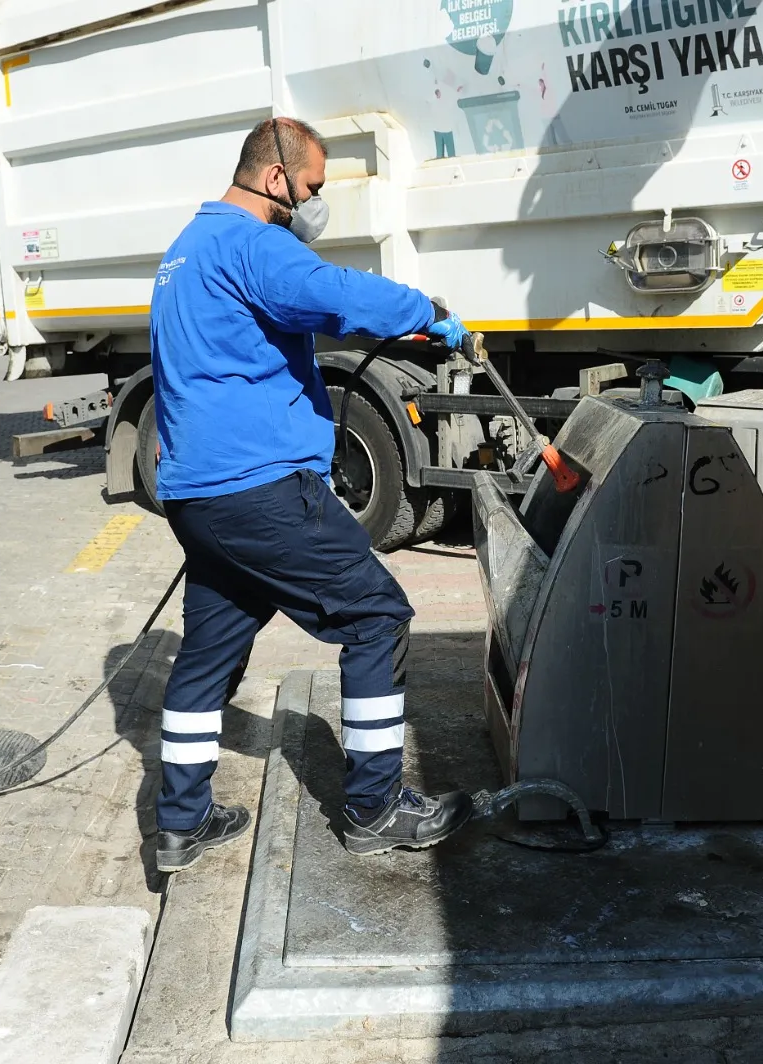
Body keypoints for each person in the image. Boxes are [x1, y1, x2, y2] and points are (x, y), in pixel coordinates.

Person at [149, 117, 473, 873]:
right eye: (314, 188)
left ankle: (180, 825)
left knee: (206, 657)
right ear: (275, 177)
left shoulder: (183, 251)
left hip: (199, 497)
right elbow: (331, 295)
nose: (313, 203)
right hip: (259, 488)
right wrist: (427, 314)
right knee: (376, 615)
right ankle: (375, 806)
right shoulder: (253, 242)